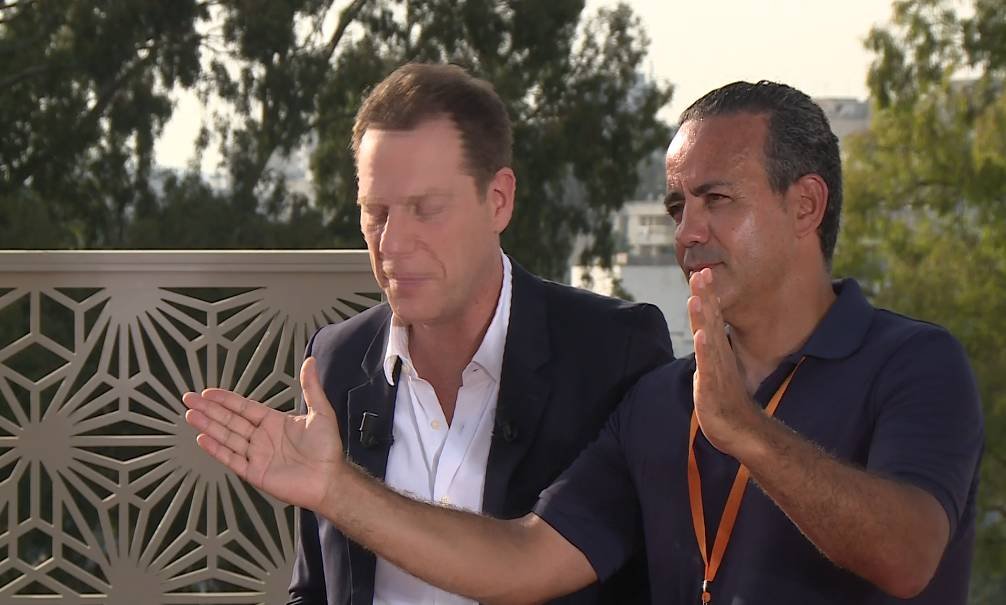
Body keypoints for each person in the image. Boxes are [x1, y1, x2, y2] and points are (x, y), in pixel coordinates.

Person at [183, 81, 984, 604]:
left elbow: (908, 554)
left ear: (806, 204)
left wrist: (746, 431)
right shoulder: (661, 402)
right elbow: (523, 559)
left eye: (716, 199)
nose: (688, 231)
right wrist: (335, 489)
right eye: (676, 206)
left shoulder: (916, 362)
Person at [194, 62, 673, 605]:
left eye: (426, 210)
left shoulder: (614, 354)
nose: (391, 243)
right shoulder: (334, 362)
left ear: (498, 200)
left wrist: (341, 489)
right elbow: (315, 592)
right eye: (375, 212)